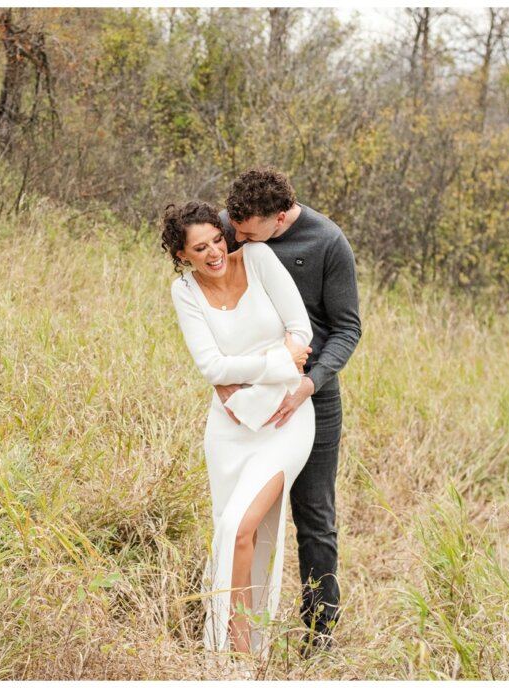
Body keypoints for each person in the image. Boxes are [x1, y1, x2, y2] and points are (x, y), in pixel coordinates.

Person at [162, 200, 316, 664]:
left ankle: (238, 652)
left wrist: (246, 377)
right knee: (233, 534)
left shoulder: (260, 259)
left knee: (238, 528)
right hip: (229, 428)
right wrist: (275, 362)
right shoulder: (183, 291)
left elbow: (300, 332)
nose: (213, 253)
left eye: (217, 241)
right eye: (199, 248)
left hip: (284, 418)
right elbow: (211, 366)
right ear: (181, 255)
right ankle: (234, 652)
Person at [218, 167, 361, 655]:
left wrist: (310, 383)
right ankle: (234, 634)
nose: (235, 239)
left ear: (280, 218)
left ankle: (319, 638)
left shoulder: (328, 242)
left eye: (247, 232)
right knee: (241, 515)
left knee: (315, 518)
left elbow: (347, 329)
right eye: (233, 226)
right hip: (247, 397)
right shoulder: (229, 227)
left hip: (311, 399)